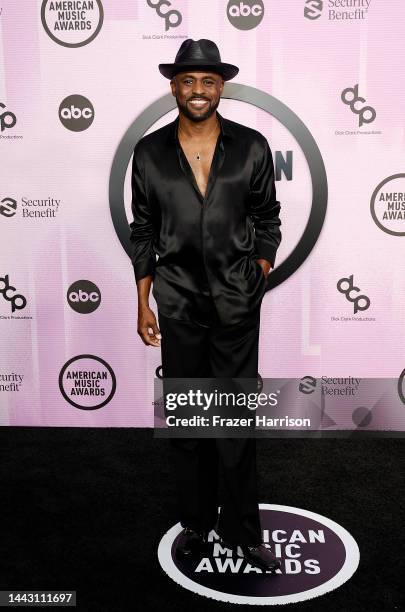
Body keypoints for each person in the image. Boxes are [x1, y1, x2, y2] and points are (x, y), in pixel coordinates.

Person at [129, 39, 282, 572]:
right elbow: (143, 229)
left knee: (236, 424)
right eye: (189, 81)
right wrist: (144, 303)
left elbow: (269, 217)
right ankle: (195, 526)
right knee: (189, 424)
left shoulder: (252, 146)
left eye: (208, 82)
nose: (198, 91)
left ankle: (242, 531)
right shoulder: (148, 153)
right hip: (176, 307)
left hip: (238, 306)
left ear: (221, 88)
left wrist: (257, 271)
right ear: (175, 86)